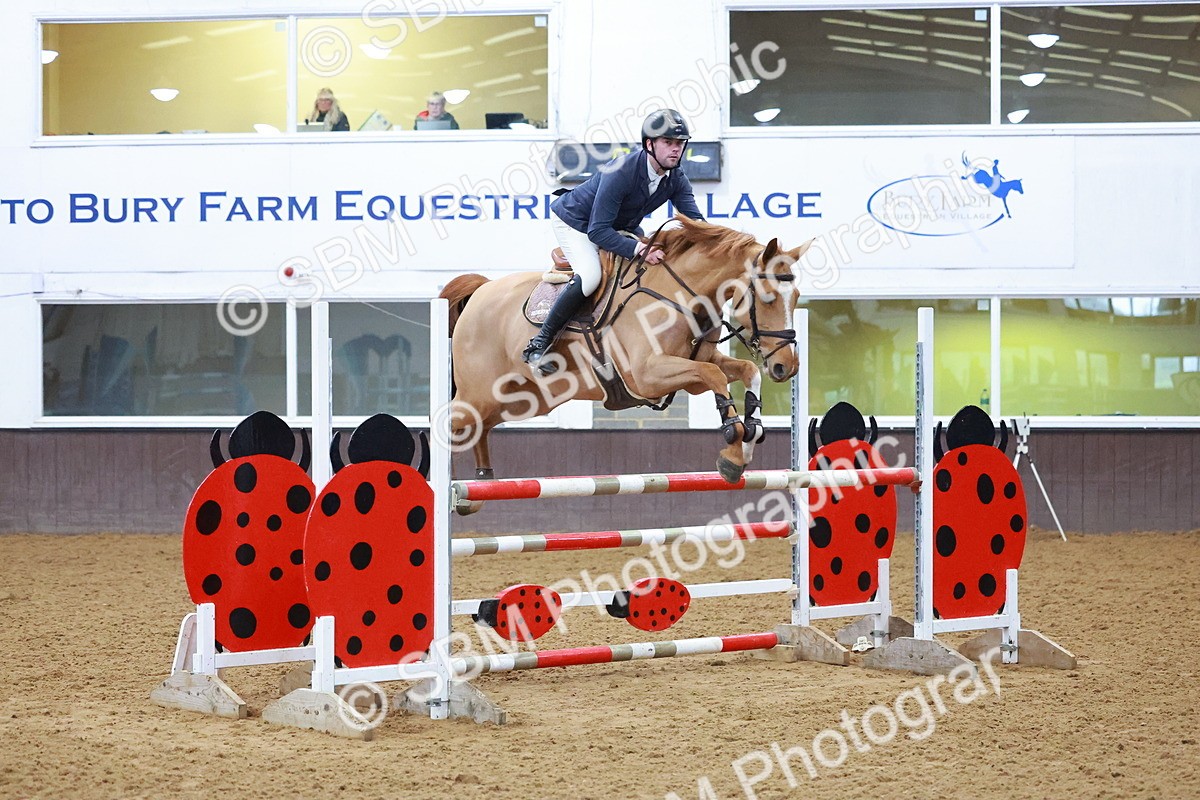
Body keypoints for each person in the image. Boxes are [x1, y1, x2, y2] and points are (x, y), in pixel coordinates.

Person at [522, 108, 704, 375]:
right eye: (668, 143)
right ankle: (539, 344)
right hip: (577, 223)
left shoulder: (675, 177)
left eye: (680, 143)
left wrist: (724, 243)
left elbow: (696, 223)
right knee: (591, 275)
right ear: (649, 144)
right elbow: (598, 232)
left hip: (617, 225)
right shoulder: (621, 171)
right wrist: (639, 248)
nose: (676, 150)